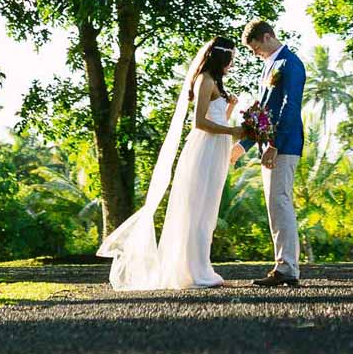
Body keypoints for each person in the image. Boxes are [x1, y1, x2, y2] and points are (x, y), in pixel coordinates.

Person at [97, 38, 246, 291]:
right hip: (204, 149)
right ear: (222, 57)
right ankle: (195, 273)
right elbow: (199, 122)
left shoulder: (217, 83)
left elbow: (216, 117)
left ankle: (201, 268)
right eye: (231, 58)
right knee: (197, 209)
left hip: (217, 149)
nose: (232, 64)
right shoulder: (205, 80)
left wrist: (230, 109)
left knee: (208, 210)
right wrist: (233, 130)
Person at [238, 18, 306, 287]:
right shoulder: (268, 66)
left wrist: (275, 145)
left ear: (267, 37)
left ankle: (287, 268)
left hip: (284, 144)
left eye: (255, 48)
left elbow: (290, 108)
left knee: (280, 202)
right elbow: (262, 111)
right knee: (274, 205)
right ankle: (284, 264)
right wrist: (244, 145)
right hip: (268, 146)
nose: (255, 54)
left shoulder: (291, 64)